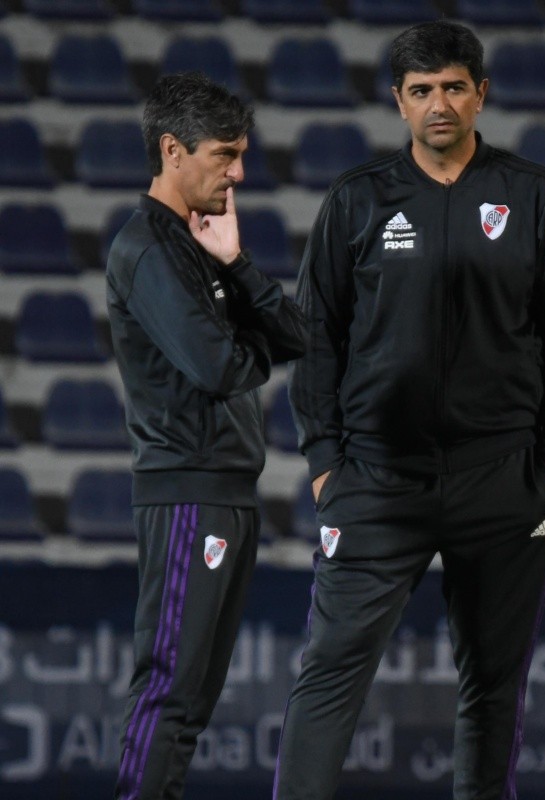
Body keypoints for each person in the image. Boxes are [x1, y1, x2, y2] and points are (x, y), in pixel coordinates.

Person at [274, 20, 545, 800]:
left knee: (492, 683)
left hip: (502, 483)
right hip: (378, 483)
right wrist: (324, 464)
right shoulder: (357, 202)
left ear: (481, 95)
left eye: (454, 87)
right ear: (399, 102)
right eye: (422, 91)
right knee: (329, 674)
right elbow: (317, 343)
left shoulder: (537, 197)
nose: (439, 104)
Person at [106, 71, 307, 800]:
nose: (239, 172)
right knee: (171, 691)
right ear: (172, 150)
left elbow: (298, 337)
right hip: (188, 495)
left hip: (224, 494)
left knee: (190, 700)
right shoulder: (148, 251)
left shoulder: (199, 246)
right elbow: (223, 366)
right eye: (225, 155)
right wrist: (255, 348)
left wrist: (238, 266)